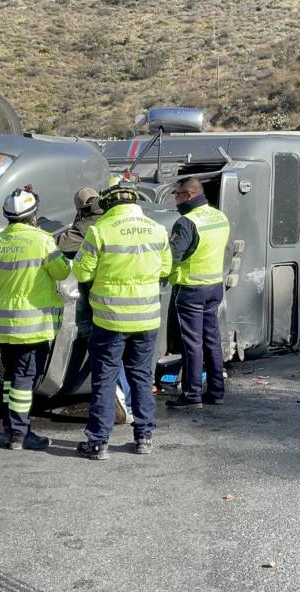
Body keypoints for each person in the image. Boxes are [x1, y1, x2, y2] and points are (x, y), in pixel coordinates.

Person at [73, 181, 171, 460]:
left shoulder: (99, 231)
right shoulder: (157, 230)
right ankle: (144, 437)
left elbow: (81, 273)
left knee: (104, 379)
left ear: (108, 204)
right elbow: (166, 268)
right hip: (147, 319)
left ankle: (98, 443)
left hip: (110, 319)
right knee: (141, 376)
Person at [0, 187, 71, 450]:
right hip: (34, 326)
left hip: (5, 327)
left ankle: (10, 428)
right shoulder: (42, 241)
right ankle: (20, 433)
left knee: (11, 378)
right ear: (33, 215)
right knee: (24, 381)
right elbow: (62, 272)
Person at [56, 187, 134, 425]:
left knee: (108, 356)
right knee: (135, 360)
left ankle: (115, 405)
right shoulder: (138, 225)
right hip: (141, 304)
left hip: (105, 303)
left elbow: (66, 251)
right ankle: (136, 413)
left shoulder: (89, 228)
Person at [166, 177, 231, 409]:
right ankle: (216, 391)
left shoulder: (186, 222)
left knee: (191, 343)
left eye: (177, 194)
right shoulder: (219, 216)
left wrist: (160, 274)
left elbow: (173, 257)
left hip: (191, 288)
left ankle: (191, 395)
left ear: (189, 195)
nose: (175, 198)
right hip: (214, 286)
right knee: (212, 340)